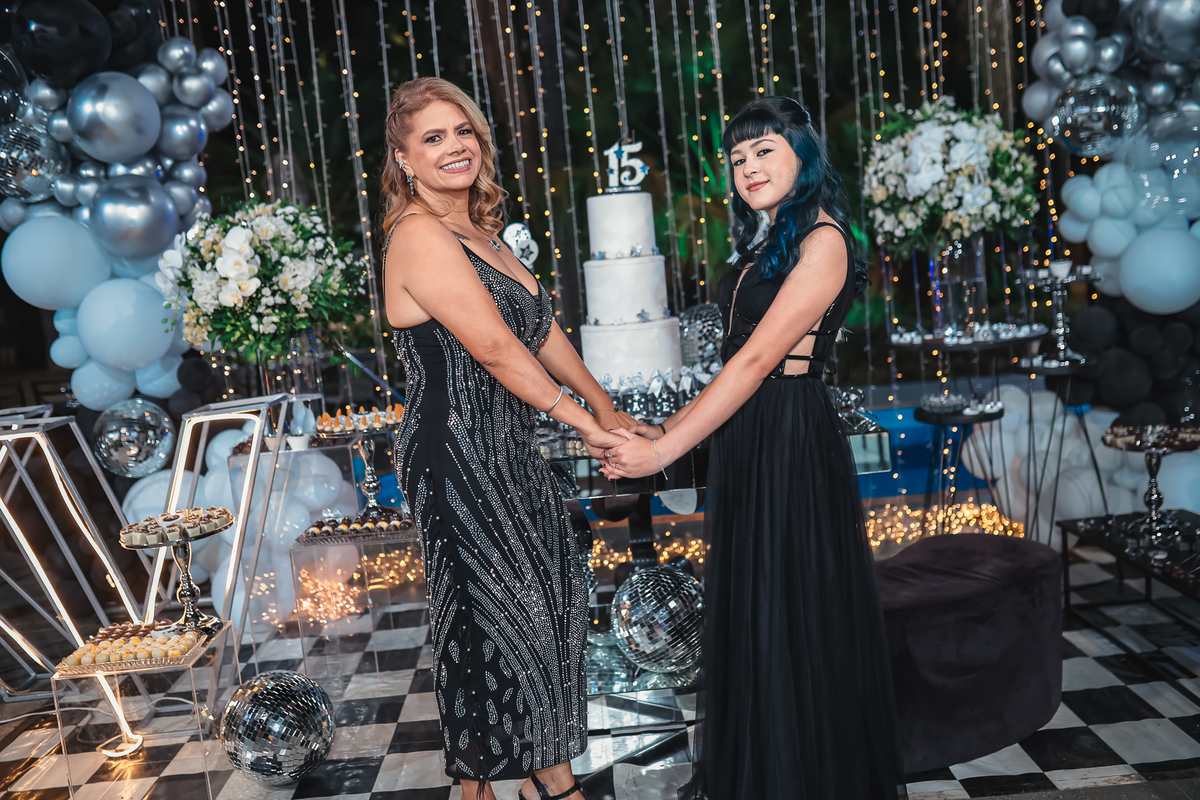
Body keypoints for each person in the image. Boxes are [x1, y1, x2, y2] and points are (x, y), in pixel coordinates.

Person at [601, 96, 906, 799]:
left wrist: (662, 454)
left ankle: (806, 781)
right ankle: (765, 775)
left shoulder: (824, 240)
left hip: (790, 436)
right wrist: (664, 427)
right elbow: (733, 364)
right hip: (751, 432)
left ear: (804, 153)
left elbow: (758, 362)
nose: (748, 167)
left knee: (791, 607)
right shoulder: (771, 241)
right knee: (756, 608)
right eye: (737, 157)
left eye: (764, 150)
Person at [381, 77, 630, 800]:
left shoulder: (482, 233)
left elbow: (539, 329)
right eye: (433, 137)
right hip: (453, 450)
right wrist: (583, 425)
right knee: (501, 616)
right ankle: (537, 784)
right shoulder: (418, 233)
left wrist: (604, 406)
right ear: (404, 159)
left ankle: (506, 784)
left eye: (463, 131)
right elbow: (493, 348)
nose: (454, 146)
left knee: (553, 601)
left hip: (511, 445)